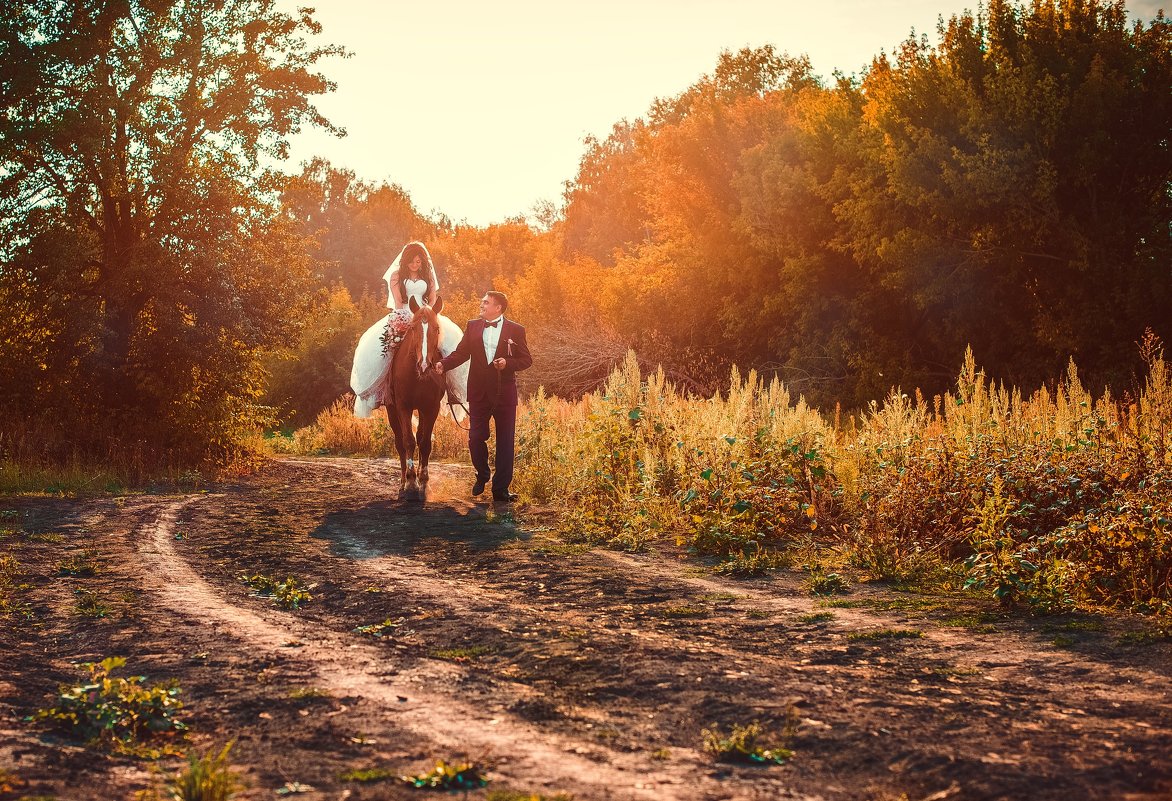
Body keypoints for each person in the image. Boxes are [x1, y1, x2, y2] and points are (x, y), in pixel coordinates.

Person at [350, 242, 468, 420]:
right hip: (404, 313)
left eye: (418, 262)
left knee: (447, 346)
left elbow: (433, 300)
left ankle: (451, 390)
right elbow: (398, 301)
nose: (415, 265)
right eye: (412, 262)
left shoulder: (428, 277)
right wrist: (403, 319)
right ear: (405, 261)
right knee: (385, 350)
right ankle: (381, 390)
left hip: (426, 315)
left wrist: (429, 317)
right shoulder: (396, 276)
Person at [434, 291, 532, 502]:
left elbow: (526, 360)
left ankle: (501, 490)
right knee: (475, 437)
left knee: (506, 442)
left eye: (486, 303)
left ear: (498, 308)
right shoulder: (473, 326)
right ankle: (482, 474)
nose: (482, 305)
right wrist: (444, 364)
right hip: (478, 392)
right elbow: (461, 353)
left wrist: (508, 363)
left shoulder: (516, 330)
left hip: (504, 393)